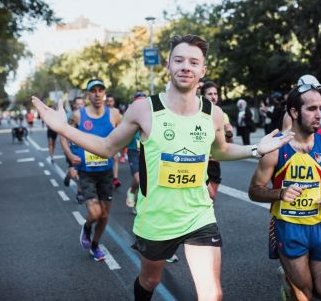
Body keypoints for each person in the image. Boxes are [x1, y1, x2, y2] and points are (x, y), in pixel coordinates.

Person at [31, 34, 292, 300]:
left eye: (193, 62)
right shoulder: (144, 109)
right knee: (150, 279)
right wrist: (63, 127)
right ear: (167, 65)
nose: (185, 67)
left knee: (212, 293)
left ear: (203, 70)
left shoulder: (212, 113)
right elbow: (107, 147)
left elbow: (220, 150)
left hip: (198, 215)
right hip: (156, 218)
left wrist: (257, 148)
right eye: (178, 60)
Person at [249, 77, 321, 301]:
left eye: (320, 108)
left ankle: (290, 286)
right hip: (289, 228)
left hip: (319, 227)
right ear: (293, 112)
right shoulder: (276, 149)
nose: (319, 114)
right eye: (311, 109)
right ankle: (291, 288)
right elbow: (254, 190)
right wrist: (279, 193)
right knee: (305, 294)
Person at [66, 79, 121, 261]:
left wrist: (118, 150)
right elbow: (63, 135)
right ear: (88, 94)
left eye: (100, 90)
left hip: (105, 171)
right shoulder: (78, 116)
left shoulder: (114, 114)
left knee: (105, 215)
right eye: (93, 91)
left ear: (104, 93)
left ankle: (95, 245)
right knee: (95, 213)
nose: (97, 94)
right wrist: (71, 161)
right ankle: (87, 226)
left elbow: (124, 134)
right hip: (86, 172)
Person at [200, 81, 234, 200]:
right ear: (203, 96)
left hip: (214, 161)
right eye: (210, 94)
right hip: (198, 161)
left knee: (211, 197)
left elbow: (227, 145)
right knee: (206, 196)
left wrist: (229, 134)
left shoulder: (222, 115)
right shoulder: (196, 113)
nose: (213, 97)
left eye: (215, 93)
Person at [61, 96, 86, 203]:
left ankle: (80, 192)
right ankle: (70, 174)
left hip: (84, 149)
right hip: (73, 149)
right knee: (75, 173)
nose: (79, 106)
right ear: (74, 105)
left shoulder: (87, 116)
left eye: (81, 104)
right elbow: (63, 135)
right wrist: (68, 150)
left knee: (82, 172)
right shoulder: (69, 117)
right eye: (77, 104)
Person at [126, 92, 147, 213]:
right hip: (134, 152)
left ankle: (138, 203)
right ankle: (132, 191)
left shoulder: (152, 117)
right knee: (139, 180)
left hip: (147, 152)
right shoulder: (129, 117)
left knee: (146, 181)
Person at [105, 95, 122, 188]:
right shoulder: (102, 110)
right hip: (103, 139)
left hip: (113, 139)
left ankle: (115, 178)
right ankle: (106, 178)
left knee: (115, 159)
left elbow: (119, 125)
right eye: (107, 101)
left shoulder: (116, 111)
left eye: (111, 101)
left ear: (113, 102)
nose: (109, 103)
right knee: (105, 159)